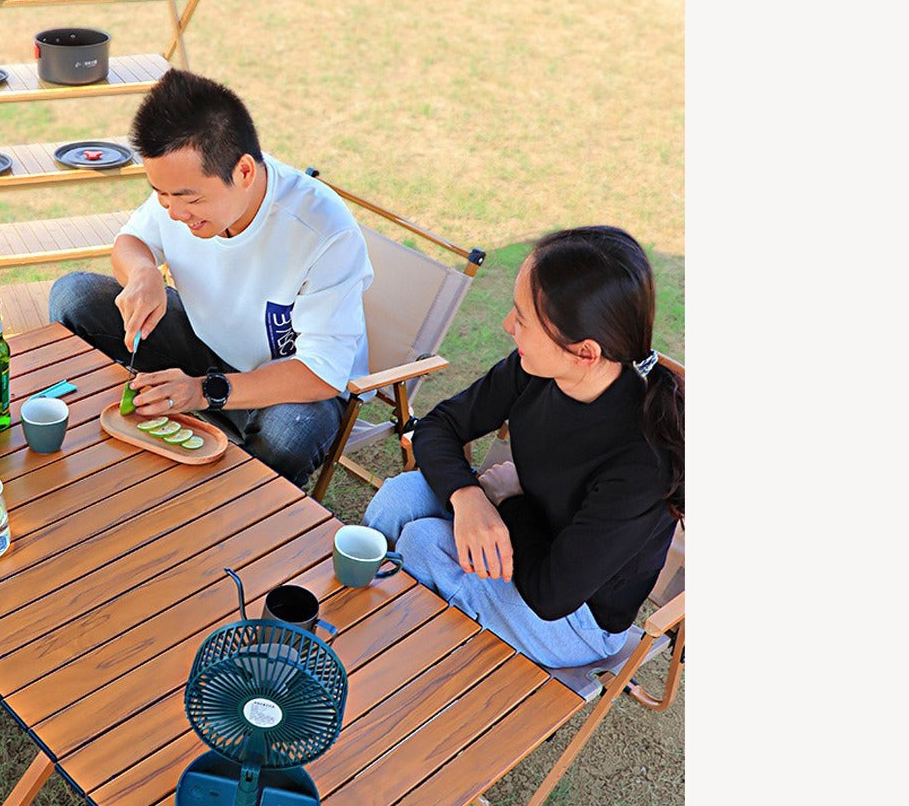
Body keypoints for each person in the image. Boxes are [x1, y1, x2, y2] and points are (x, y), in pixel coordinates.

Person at [362, 225, 683, 670]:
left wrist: (510, 501)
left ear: (585, 353)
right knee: (400, 497)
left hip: (575, 616)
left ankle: (400, 655)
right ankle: (364, 615)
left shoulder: (642, 461)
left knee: (422, 541)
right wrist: (470, 497)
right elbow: (439, 426)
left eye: (523, 319)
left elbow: (552, 595)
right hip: (521, 533)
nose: (507, 326)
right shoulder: (535, 367)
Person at [49, 68, 374, 487]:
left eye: (189, 199)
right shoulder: (181, 184)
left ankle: (232, 507)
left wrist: (204, 391)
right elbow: (131, 241)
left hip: (286, 384)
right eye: (161, 194)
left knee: (289, 435)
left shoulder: (324, 232)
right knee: (74, 295)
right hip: (205, 344)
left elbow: (321, 373)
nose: (174, 213)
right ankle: (122, 433)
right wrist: (143, 272)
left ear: (243, 172)